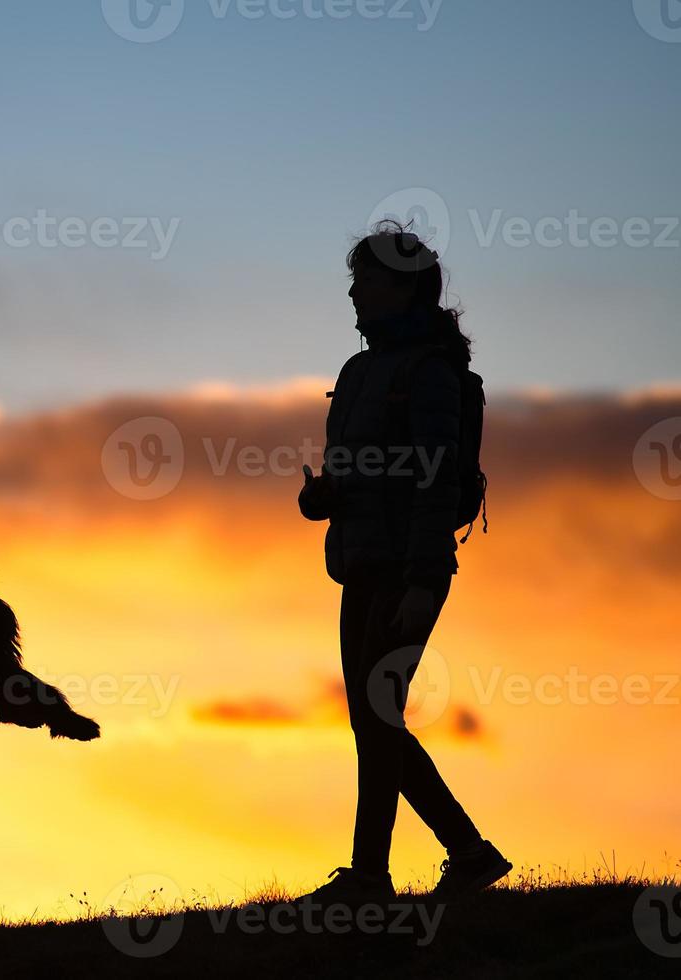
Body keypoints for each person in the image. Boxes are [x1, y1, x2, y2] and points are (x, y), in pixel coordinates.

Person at [296, 220, 510, 905]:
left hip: (409, 568)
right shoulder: (357, 371)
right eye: (356, 280)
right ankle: (437, 862)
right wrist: (322, 496)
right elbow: (361, 471)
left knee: (377, 714)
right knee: (372, 717)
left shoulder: (432, 373)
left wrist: (423, 580)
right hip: (360, 562)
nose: (355, 292)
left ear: (405, 289)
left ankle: (381, 873)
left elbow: (437, 478)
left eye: (369, 280)